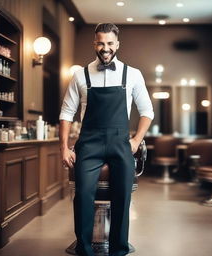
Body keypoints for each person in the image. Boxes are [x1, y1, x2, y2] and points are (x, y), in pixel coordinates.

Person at [59, 23, 154, 256]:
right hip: (89, 143)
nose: (105, 48)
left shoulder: (132, 74)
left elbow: (147, 112)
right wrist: (63, 147)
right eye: (101, 43)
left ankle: (118, 250)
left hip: (121, 142)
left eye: (110, 43)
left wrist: (135, 140)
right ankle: (85, 249)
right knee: (82, 195)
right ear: (94, 43)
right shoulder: (80, 75)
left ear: (117, 44)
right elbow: (66, 113)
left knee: (122, 196)